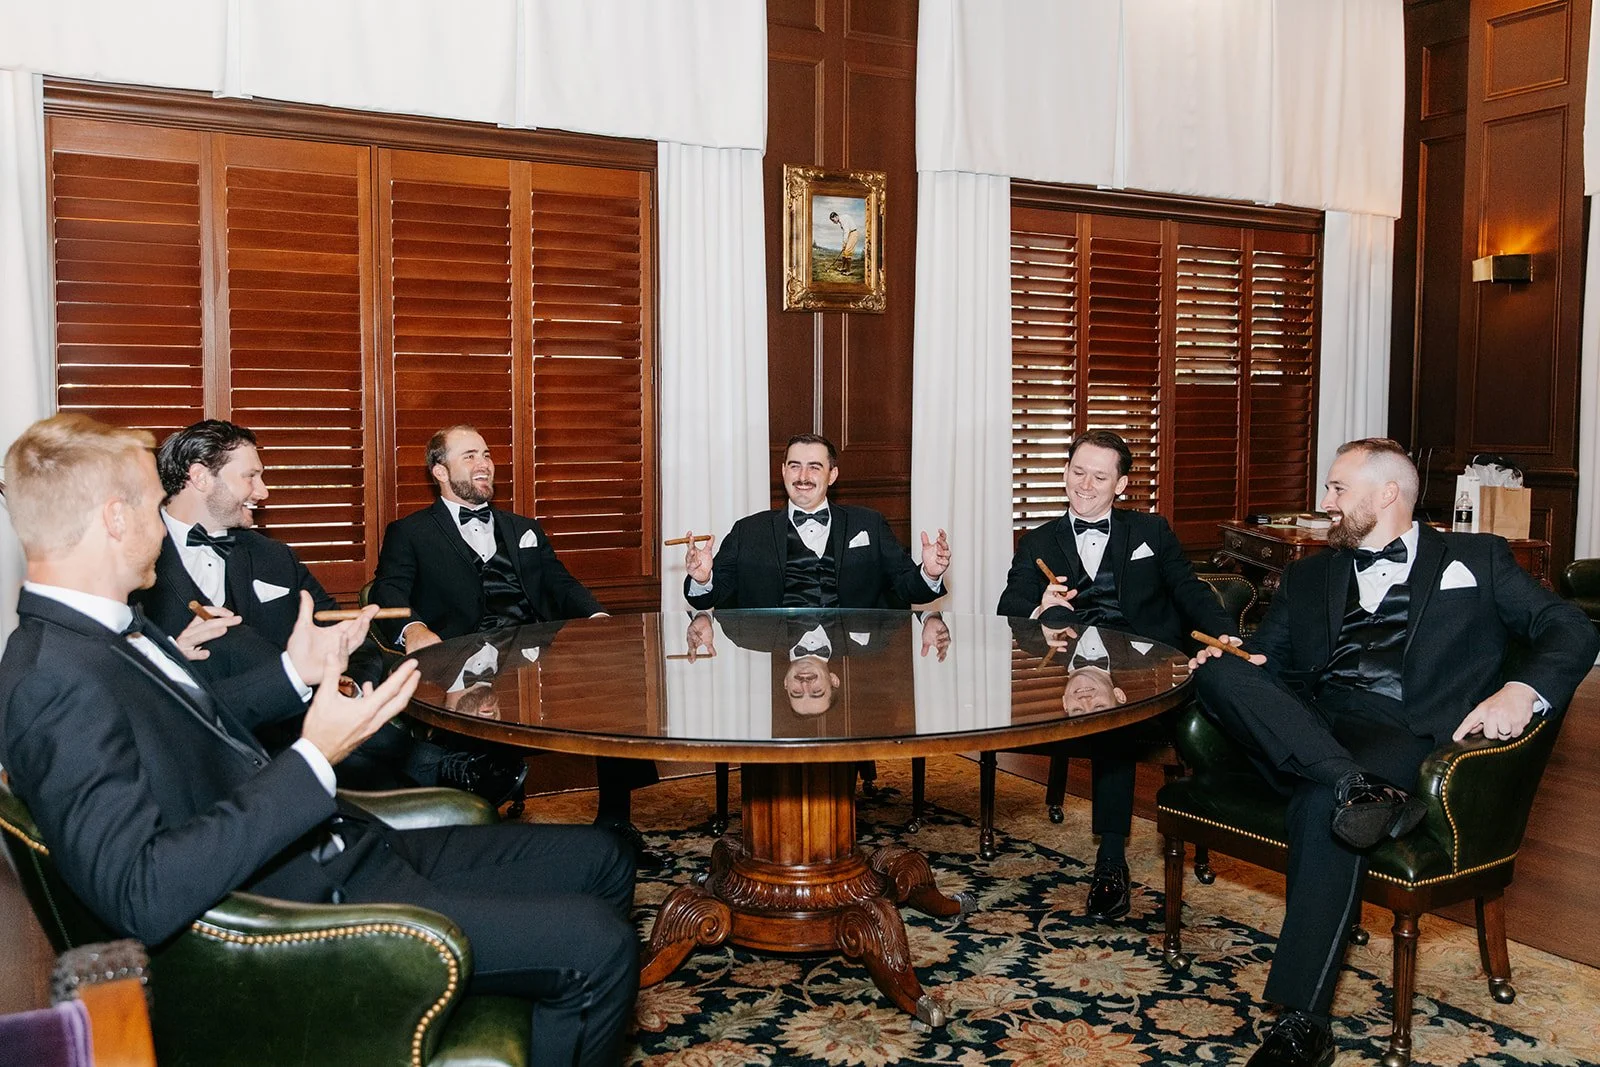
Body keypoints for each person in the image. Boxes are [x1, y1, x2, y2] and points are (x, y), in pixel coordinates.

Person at [0, 414, 639, 1067]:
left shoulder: (108, 634)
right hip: (312, 905)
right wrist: (313, 757)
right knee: (600, 945)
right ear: (114, 517)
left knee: (604, 858)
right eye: (150, 500)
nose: (162, 515)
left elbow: (200, 722)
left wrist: (291, 674)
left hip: (342, 844)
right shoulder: (52, 681)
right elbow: (139, 890)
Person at [1189, 438, 1597, 1067]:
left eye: (1336, 489)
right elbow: (1275, 668)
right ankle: (1356, 785)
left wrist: (1524, 689)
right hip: (1315, 723)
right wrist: (1243, 666)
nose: (1324, 503)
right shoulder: (1310, 573)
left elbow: (1570, 626)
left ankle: (1304, 1023)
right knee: (1217, 671)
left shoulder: (1478, 558)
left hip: (1402, 733)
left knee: (1322, 803)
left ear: (1387, 494)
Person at [130, 419, 522, 798]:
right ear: (200, 478)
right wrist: (172, 653)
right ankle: (434, 765)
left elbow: (349, 636)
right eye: (250, 477)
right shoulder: (128, 557)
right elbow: (104, 665)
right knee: (235, 641)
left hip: (289, 731)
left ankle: (428, 771)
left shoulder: (274, 558)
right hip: (189, 736)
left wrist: (346, 682)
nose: (263, 491)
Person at [370, 424, 662, 866]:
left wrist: (597, 617)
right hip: (457, 659)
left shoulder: (523, 528)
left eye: (486, 454)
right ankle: (471, 836)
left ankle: (616, 822)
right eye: (469, 456)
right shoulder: (410, 532)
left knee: (614, 693)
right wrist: (413, 630)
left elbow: (561, 583)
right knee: (465, 719)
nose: (484, 463)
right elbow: (388, 592)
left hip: (534, 658)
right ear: (440, 472)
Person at [996, 428, 1238, 921]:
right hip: (1069, 671)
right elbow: (1008, 606)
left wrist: (1225, 634)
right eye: (1077, 472)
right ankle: (1112, 861)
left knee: (1117, 722)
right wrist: (1037, 605)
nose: (1085, 485)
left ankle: (1110, 860)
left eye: (1099, 477)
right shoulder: (1040, 540)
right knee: (1110, 721)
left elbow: (1190, 592)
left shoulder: (1151, 533)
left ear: (1121, 485)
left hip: (1146, 667)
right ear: (1065, 472)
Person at [683, 433, 951, 611]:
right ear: (783, 471)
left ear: (832, 475)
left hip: (850, 662)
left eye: (814, 466)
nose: (803, 476)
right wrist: (703, 579)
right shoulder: (748, 531)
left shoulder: (869, 524)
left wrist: (929, 573)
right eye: (795, 465)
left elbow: (907, 587)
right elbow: (709, 597)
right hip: (774, 660)